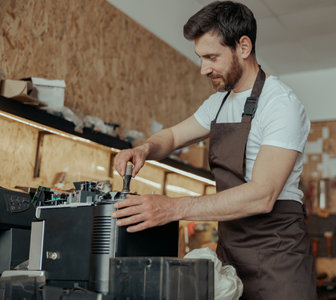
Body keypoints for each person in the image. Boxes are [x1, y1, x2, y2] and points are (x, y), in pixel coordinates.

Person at [112, 1, 317, 299]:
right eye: (200, 58)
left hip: (278, 257)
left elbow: (262, 195)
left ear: (243, 47)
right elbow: (170, 137)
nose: (203, 69)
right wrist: (144, 149)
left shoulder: (280, 104)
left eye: (211, 57)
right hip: (231, 256)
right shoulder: (218, 103)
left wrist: (171, 208)